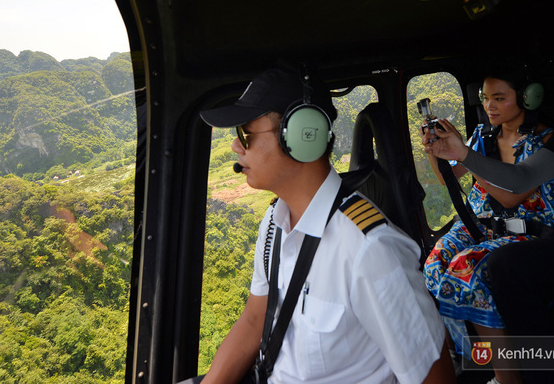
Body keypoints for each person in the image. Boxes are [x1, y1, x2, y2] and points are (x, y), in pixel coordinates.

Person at [193, 67, 455, 383]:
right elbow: (254, 319)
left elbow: (434, 376)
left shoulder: (370, 251)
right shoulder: (274, 224)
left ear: (305, 134)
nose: (237, 147)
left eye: (246, 134)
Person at [424, 0, 554, 384]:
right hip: (486, 224)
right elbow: (452, 176)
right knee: (435, 262)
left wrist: (465, 156)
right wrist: (440, 151)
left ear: (526, 98)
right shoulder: (482, 136)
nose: (490, 106)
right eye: (485, 98)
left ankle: (507, 373)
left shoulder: (544, 139)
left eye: (499, 98)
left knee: (474, 271)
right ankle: (479, 362)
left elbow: (513, 191)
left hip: (530, 229)